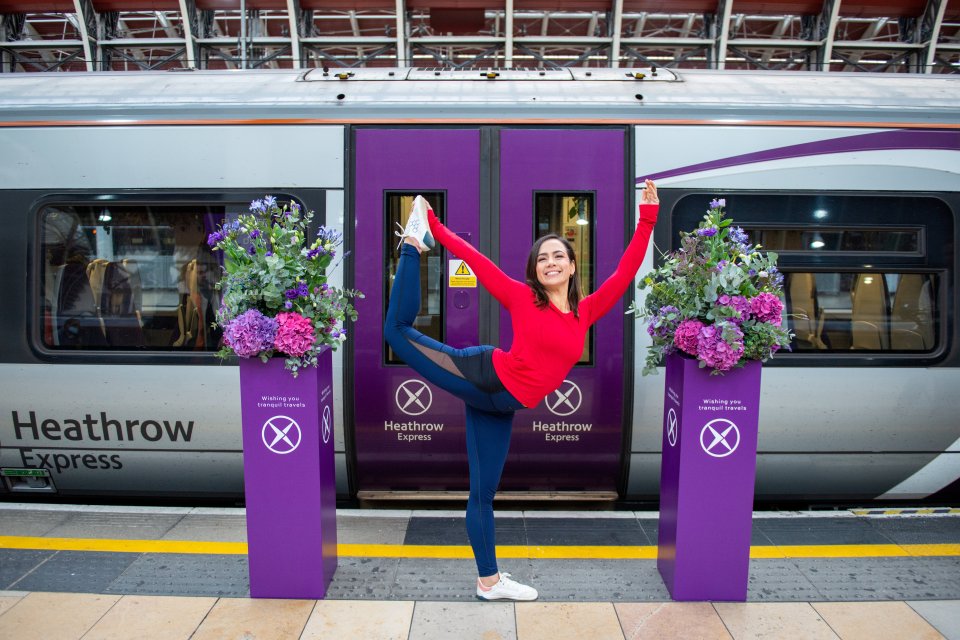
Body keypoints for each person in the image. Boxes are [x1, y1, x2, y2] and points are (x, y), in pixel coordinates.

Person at [384, 180, 660, 601]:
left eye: (559, 256)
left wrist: (647, 220)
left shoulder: (585, 313)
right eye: (542, 258)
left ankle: (488, 582)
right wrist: (434, 229)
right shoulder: (522, 297)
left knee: (483, 494)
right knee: (398, 332)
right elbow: (475, 260)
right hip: (482, 377)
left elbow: (625, 272)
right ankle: (411, 244)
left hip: (499, 406)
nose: (550, 263)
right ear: (535, 270)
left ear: (572, 265)